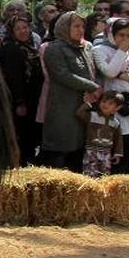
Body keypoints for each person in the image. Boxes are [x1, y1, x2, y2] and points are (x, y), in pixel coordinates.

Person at [40, 11, 101, 171]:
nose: (80, 29)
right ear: (64, 27)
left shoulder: (86, 47)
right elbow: (62, 75)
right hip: (63, 105)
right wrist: (91, 86)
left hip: (83, 103)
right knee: (61, 148)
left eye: (82, 26)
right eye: (76, 26)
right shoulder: (55, 48)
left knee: (79, 149)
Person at [93, 18, 129, 172]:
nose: (125, 39)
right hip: (109, 105)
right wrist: (121, 52)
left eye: (128, 35)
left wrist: (126, 76)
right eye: (121, 35)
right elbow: (109, 72)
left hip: (128, 105)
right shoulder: (99, 50)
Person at [0, 15, 44, 166]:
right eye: (17, 29)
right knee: (21, 135)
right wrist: (20, 102)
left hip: (34, 98)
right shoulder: (11, 49)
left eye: (25, 27)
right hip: (20, 100)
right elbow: (13, 78)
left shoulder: (33, 47)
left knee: (31, 136)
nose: (22, 31)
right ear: (11, 31)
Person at [77, 92, 125, 178]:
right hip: (91, 151)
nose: (105, 104)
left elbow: (118, 139)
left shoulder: (115, 123)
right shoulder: (92, 116)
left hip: (106, 153)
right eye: (103, 101)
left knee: (104, 175)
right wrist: (88, 104)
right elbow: (80, 113)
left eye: (110, 103)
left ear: (117, 108)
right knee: (89, 173)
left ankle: (102, 191)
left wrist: (118, 153)